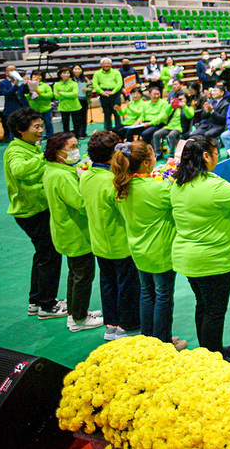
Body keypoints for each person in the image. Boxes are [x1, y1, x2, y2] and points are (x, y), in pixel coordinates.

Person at [169, 135, 230, 359]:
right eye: (216, 152)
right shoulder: (213, 187)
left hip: (188, 257)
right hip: (212, 260)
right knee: (215, 312)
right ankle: (214, 359)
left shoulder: (179, 183)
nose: (218, 155)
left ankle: (211, 350)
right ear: (205, 156)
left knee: (203, 306)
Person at [111, 140, 185, 350]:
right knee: (163, 296)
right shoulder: (159, 188)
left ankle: (148, 340)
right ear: (145, 163)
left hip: (138, 250)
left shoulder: (122, 187)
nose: (156, 159)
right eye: (153, 156)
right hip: (160, 251)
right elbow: (178, 201)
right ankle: (163, 343)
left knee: (146, 293)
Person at [4, 108, 65, 320]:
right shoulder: (15, 150)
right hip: (32, 211)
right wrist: (44, 158)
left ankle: (36, 300)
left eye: (41, 125)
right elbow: (19, 170)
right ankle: (48, 306)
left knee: (42, 254)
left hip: (36, 208)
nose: (41, 130)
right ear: (21, 130)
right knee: (50, 255)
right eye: (36, 126)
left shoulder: (30, 146)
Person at [80, 131, 140, 341]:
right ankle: (128, 325)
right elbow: (126, 211)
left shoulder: (86, 176)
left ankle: (111, 324)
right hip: (121, 244)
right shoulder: (113, 181)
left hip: (99, 243)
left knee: (108, 284)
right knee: (127, 286)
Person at [42, 131, 104, 332]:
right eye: (71, 147)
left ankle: (75, 311)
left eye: (77, 145)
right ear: (57, 151)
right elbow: (80, 203)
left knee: (74, 275)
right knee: (83, 276)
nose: (76, 150)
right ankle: (78, 318)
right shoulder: (61, 176)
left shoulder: (53, 170)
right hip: (75, 232)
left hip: (65, 230)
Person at [92, 58, 124, 131]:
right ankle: (108, 130)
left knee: (116, 112)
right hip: (103, 94)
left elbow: (120, 83)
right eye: (105, 63)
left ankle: (118, 129)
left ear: (111, 64)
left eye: (108, 63)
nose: (106, 65)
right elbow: (95, 84)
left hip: (115, 94)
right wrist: (101, 92)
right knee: (107, 113)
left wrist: (114, 91)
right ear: (101, 65)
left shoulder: (116, 72)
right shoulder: (97, 73)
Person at [54, 67, 83, 135]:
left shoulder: (74, 83)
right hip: (63, 107)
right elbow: (56, 96)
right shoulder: (56, 84)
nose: (66, 75)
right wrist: (69, 93)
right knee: (65, 124)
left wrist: (62, 93)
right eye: (64, 73)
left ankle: (76, 136)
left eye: (68, 73)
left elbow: (74, 94)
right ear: (60, 75)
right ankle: (66, 137)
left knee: (76, 123)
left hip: (75, 106)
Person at [26, 70, 54, 138]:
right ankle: (37, 137)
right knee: (35, 124)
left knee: (48, 123)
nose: (37, 77)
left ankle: (50, 136)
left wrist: (40, 94)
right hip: (34, 108)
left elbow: (50, 95)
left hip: (45, 108)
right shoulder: (28, 85)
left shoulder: (45, 85)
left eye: (39, 75)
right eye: (35, 75)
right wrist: (30, 95)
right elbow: (26, 97)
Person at [71, 65, 91, 139]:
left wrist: (88, 89)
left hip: (84, 99)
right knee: (77, 118)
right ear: (72, 70)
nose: (77, 70)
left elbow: (91, 87)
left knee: (84, 117)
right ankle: (77, 133)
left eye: (78, 69)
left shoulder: (85, 79)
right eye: (75, 69)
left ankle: (83, 132)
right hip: (75, 100)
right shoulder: (71, 79)